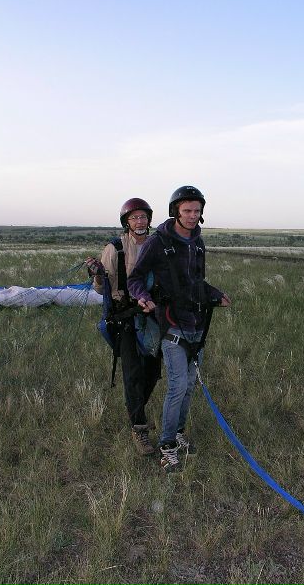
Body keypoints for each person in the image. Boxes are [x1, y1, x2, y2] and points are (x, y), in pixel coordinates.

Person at [127, 186, 230, 473]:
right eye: (187, 211)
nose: (192, 216)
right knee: (178, 386)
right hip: (172, 325)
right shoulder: (158, 242)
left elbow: (197, 282)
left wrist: (215, 294)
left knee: (189, 386)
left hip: (198, 325)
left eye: (197, 211)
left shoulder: (198, 243)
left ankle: (180, 432)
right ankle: (167, 446)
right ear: (175, 211)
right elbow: (135, 278)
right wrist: (142, 297)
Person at [85, 198, 161, 456]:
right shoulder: (115, 248)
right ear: (127, 222)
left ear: (149, 220)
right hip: (125, 317)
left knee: (153, 370)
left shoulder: (157, 245)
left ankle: (137, 410)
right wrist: (97, 275)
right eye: (134, 217)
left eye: (143, 217)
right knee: (133, 372)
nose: (140, 221)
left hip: (152, 315)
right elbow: (100, 288)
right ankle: (139, 427)